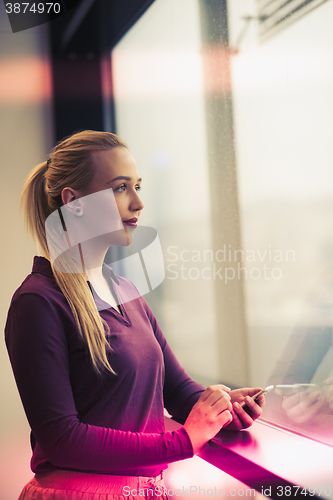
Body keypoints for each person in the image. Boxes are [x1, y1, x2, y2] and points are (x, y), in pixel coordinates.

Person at [5, 130, 265, 500]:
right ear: (73, 202)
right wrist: (183, 442)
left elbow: (176, 391)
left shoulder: (128, 293)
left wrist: (222, 408)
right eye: (120, 188)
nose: (138, 202)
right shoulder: (38, 303)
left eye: (137, 186)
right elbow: (63, 440)